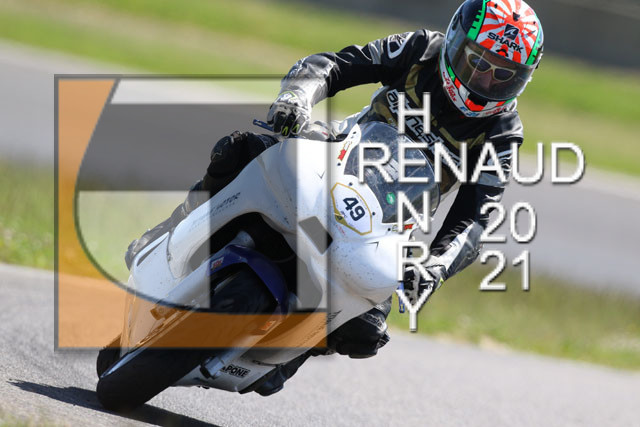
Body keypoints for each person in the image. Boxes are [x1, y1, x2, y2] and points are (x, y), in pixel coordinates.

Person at [126, 0, 543, 395]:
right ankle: (173, 227)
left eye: (503, 75)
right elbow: (335, 65)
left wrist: (434, 266)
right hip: (332, 156)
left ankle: (289, 354)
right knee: (238, 151)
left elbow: (474, 219)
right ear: (454, 41)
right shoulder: (421, 50)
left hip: (389, 225)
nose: (485, 82)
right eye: (477, 63)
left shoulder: (502, 134)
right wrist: (296, 99)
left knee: (366, 332)